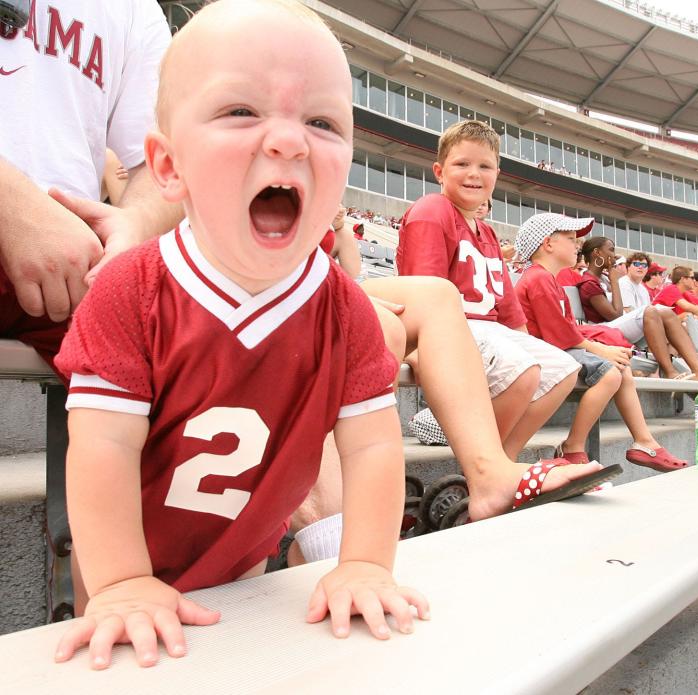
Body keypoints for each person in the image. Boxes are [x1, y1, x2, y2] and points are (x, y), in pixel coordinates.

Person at [51, 1, 430, 669]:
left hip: (247, 569)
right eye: (240, 112)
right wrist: (118, 581)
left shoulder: (344, 309)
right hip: (126, 567)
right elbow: (101, 445)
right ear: (168, 168)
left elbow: (373, 446)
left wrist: (366, 562)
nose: (288, 140)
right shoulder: (131, 291)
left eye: (322, 121)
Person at [396, 120, 619, 474]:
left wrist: (530, 347)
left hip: (486, 333)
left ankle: (504, 461)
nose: (474, 174)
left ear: (497, 174)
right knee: (524, 370)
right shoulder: (432, 210)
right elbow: (425, 294)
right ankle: (485, 469)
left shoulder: (486, 232)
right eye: (462, 164)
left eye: (484, 166)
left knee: (561, 369)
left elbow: (512, 317)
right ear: (439, 171)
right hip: (446, 326)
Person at [0, 0, 184, 371]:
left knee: (196, 364)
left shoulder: (135, 10)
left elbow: (169, 161)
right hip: (60, 243)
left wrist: (131, 227)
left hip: (75, 264)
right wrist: (13, 201)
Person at [513, 213, 688, 471]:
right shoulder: (538, 278)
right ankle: (573, 447)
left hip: (553, 347)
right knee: (609, 373)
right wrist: (601, 348)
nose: (578, 245)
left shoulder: (549, 278)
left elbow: (567, 331)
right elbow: (559, 336)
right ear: (548, 243)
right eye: (571, 239)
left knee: (620, 368)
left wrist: (604, 348)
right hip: (543, 352)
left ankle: (643, 440)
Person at [579, 238, 698, 380]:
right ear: (597, 253)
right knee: (651, 312)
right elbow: (615, 315)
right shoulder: (588, 282)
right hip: (599, 331)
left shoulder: (603, 279)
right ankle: (670, 372)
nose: (614, 255)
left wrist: (612, 280)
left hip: (612, 328)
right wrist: (615, 281)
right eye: (611, 250)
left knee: (666, 313)